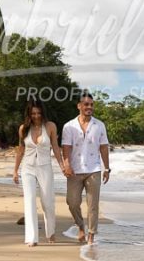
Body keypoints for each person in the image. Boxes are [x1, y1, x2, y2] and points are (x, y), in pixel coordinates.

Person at [13, 99, 64, 246]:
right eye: (33, 113)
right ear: (29, 114)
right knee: (29, 201)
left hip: (45, 167)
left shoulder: (50, 126)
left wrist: (61, 165)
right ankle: (32, 238)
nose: (36, 116)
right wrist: (15, 170)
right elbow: (21, 149)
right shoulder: (23, 128)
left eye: (38, 113)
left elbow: (55, 147)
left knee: (47, 202)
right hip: (28, 168)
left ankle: (51, 232)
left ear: (43, 113)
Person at [62, 91, 110, 245]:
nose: (89, 107)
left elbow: (103, 147)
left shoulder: (99, 125)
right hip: (74, 170)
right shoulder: (69, 126)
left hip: (94, 169)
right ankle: (80, 226)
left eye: (91, 104)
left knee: (93, 205)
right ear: (79, 106)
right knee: (72, 202)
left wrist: (107, 168)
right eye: (86, 104)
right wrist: (67, 165)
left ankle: (91, 235)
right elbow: (66, 148)